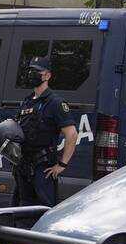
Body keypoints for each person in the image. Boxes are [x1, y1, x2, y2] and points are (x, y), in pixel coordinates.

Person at [13, 56, 78, 208]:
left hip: (43, 168)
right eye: (30, 71)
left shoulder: (55, 102)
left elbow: (72, 134)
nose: (32, 75)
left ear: (47, 75)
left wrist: (62, 164)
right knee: (21, 210)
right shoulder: (27, 101)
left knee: (44, 210)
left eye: (37, 72)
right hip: (23, 167)